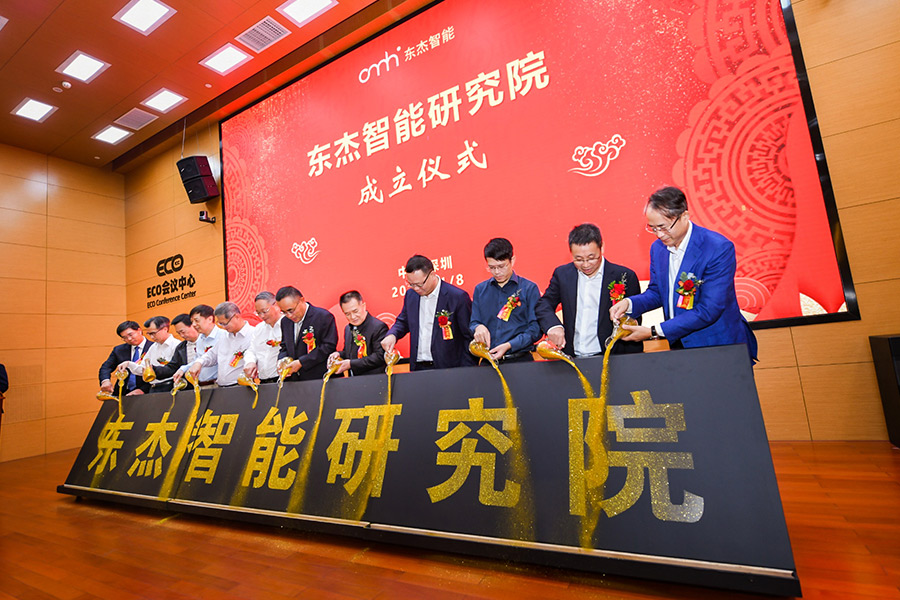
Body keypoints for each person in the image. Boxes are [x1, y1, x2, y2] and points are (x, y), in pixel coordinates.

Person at [610, 186, 758, 360]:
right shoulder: (658, 249)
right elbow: (658, 292)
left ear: (684, 216)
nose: (659, 235)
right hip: (680, 346)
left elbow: (709, 309)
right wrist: (629, 304)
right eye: (653, 228)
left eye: (663, 227)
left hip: (719, 345)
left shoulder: (717, 248)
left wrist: (653, 331)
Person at [536, 223, 643, 357]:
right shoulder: (563, 275)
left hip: (613, 356)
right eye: (579, 259)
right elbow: (544, 304)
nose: (586, 265)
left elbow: (635, 318)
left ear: (602, 247)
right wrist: (554, 326)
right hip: (573, 357)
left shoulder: (624, 276)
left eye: (591, 258)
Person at [381, 255, 475, 371]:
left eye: (419, 284)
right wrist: (392, 335)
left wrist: (466, 370)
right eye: (411, 284)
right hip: (418, 368)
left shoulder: (457, 297)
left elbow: (469, 336)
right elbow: (403, 321)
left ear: (432, 275)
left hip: (449, 369)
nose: (416, 288)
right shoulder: (411, 296)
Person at [470, 238, 541, 362]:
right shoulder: (480, 290)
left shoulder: (529, 289)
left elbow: (535, 330)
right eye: (492, 267)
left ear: (512, 260)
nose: (497, 272)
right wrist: (477, 327)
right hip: (489, 361)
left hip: (520, 361)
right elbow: (473, 322)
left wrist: (510, 345)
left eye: (501, 266)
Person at [179, 302, 254, 387]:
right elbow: (212, 354)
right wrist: (199, 362)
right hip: (222, 386)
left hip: (242, 386)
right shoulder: (224, 336)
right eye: (220, 324)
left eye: (225, 323)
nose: (223, 327)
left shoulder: (253, 334)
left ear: (237, 316)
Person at [275, 286, 338, 381]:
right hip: (295, 381)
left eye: (291, 310)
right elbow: (285, 346)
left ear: (301, 300)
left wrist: (301, 362)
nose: (289, 316)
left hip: (319, 378)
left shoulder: (323, 316)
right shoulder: (285, 322)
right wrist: (282, 361)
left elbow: (328, 346)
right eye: (284, 312)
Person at [329, 291, 389, 376]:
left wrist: (351, 364)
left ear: (363, 306)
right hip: (353, 380)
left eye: (355, 311)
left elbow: (380, 357)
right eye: (347, 314)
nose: (353, 317)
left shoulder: (378, 327)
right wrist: (338, 354)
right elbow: (348, 353)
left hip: (374, 379)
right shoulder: (348, 329)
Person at [116, 316, 180, 393]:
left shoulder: (176, 345)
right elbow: (143, 369)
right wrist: (128, 364)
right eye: (149, 334)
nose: (152, 337)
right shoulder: (153, 347)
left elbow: (173, 369)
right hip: (154, 387)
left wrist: (154, 369)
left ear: (165, 329)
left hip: (170, 386)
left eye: (153, 333)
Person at [98, 321, 152, 396]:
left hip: (146, 392)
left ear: (139, 330)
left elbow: (159, 372)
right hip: (122, 392)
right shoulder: (119, 350)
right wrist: (105, 381)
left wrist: (143, 390)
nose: (129, 339)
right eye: (124, 337)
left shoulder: (153, 347)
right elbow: (106, 367)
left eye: (130, 334)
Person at [244, 291, 284, 383]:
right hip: (263, 380)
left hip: (283, 378)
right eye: (258, 313)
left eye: (265, 311)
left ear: (276, 305)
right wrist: (250, 362)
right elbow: (251, 350)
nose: (262, 316)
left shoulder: (288, 325)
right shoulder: (259, 329)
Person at [152, 313, 198, 383]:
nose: (182, 335)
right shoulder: (181, 347)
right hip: (191, 384)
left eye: (183, 332)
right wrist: (154, 370)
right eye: (179, 333)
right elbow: (173, 367)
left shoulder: (207, 341)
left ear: (193, 325)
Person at [187, 304, 221, 385]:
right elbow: (197, 359)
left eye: (196, 320)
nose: (194, 325)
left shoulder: (223, 336)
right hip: (201, 384)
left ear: (210, 319)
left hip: (216, 384)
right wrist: (183, 369)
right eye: (192, 322)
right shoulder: (200, 339)